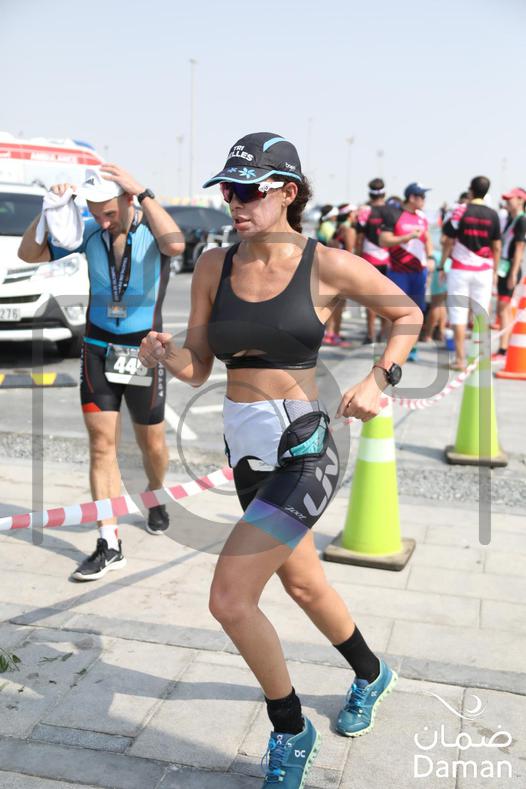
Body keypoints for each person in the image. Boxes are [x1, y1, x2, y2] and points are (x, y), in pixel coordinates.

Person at [138, 132, 422, 789]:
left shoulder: (326, 264)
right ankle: (372, 673)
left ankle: (291, 729)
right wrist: (164, 354)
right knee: (304, 584)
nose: (235, 203)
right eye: (227, 191)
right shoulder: (214, 265)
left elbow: (406, 313)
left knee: (231, 598)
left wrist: (380, 377)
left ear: (287, 192)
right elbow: (198, 367)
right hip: (245, 449)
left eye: (248, 191)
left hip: (303, 449)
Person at [18, 165, 184, 580]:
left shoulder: (151, 231)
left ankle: (154, 494)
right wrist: (49, 208)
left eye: (109, 213)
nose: (103, 222)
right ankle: (109, 541)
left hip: (144, 352)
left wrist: (144, 191)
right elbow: (28, 255)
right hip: (97, 349)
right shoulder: (91, 233)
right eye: (95, 214)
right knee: (100, 446)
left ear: (128, 200)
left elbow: (177, 244)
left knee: (152, 443)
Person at [441, 176, 501, 370]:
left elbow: (447, 240)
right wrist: (494, 271)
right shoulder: (493, 214)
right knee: (481, 313)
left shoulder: (460, 210)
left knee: (458, 314)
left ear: (471, 190)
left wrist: (442, 264)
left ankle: (460, 359)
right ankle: (479, 358)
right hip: (484, 270)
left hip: (460, 269)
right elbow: (497, 246)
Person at [379, 182, 434, 361]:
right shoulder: (394, 214)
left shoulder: (422, 217)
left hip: (419, 271)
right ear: (412, 197)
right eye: (422, 196)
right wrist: (407, 237)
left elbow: (428, 239)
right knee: (394, 312)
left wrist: (431, 257)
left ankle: (412, 348)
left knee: (417, 311)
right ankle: (389, 351)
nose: (424, 200)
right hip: (398, 271)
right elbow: (383, 240)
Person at [492, 187, 526, 360]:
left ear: (521, 200)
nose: (507, 202)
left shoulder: (521, 220)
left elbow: (520, 247)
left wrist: (513, 273)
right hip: (504, 267)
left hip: (510, 268)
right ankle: (502, 347)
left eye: (510, 199)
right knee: (502, 309)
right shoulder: (511, 219)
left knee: (503, 308)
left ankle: (503, 349)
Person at [355, 178, 390, 344]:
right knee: (387, 298)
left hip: (369, 259)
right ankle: (384, 333)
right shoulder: (392, 210)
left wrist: (357, 259)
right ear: (384, 193)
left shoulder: (364, 211)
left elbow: (360, 238)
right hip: (388, 260)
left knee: (370, 300)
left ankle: (370, 335)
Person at [324, 203, 358, 346]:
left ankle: (329, 333)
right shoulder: (349, 230)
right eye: (355, 213)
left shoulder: (338, 228)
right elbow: (349, 253)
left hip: (331, 270)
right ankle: (335, 335)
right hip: (342, 272)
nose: (357, 216)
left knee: (332, 304)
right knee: (339, 305)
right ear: (349, 214)